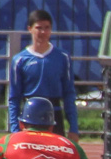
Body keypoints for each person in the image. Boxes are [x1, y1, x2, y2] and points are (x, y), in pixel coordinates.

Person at [7, 8, 79, 137]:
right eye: (39, 28)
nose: (43, 32)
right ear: (30, 29)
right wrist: (14, 129)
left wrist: (73, 128)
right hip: (29, 118)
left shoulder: (62, 57)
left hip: (54, 117)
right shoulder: (20, 60)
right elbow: (14, 97)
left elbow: (69, 94)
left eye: (47, 28)